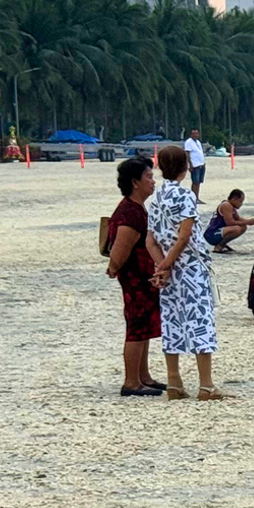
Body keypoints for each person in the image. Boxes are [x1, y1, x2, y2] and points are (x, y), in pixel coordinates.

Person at [149, 145, 225, 400]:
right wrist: (168, 264)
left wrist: (162, 267)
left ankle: (174, 381)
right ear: (185, 167)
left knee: (172, 321)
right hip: (190, 267)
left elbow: (150, 240)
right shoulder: (185, 196)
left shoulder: (155, 199)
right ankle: (206, 385)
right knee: (200, 321)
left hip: (168, 268)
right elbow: (185, 236)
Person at [105, 156, 165, 397]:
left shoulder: (137, 208)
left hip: (144, 279)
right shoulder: (130, 213)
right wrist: (113, 267)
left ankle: (143, 375)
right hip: (135, 280)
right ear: (135, 182)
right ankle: (131, 381)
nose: (153, 181)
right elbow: (120, 251)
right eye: (148, 177)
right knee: (137, 327)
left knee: (145, 327)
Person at [204, 189, 254, 253]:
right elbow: (230, 223)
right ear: (234, 199)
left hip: (218, 232)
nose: (241, 204)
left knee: (243, 226)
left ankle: (222, 244)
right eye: (240, 201)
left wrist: (250, 221)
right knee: (236, 229)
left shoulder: (231, 207)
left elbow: (238, 219)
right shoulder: (226, 205)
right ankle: (220, 246)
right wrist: (247, 222)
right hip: (211, 234)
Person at [183, 129, 207, 199]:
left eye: (197, 133)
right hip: (194, 165)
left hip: (201, 164)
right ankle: (193, 197)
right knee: (195, 182)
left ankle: (197, 197)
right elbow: (187, 154)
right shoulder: (188, 142)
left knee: (199, 182)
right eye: (194, 134)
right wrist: (190, 165)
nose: (195, 135)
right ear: (191, 135)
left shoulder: (198, 142)